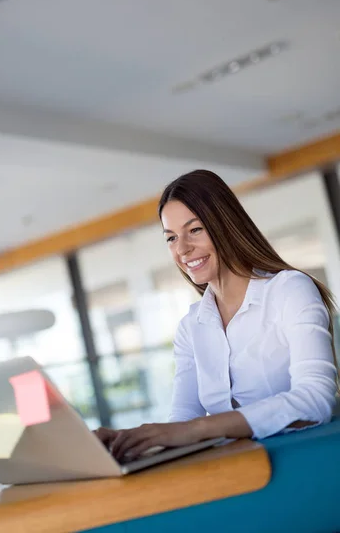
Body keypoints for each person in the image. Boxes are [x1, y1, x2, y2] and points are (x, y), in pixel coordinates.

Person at [95, 170, 338, 462]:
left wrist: (200, 428)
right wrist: (129, 440)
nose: (182, 249)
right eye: (171, 238)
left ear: (226, 224)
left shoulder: (289, 290)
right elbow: (182, 422)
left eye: (195, 230)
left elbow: (316, 399)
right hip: (233, 474)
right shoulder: (190, 327)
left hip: (307, 463)